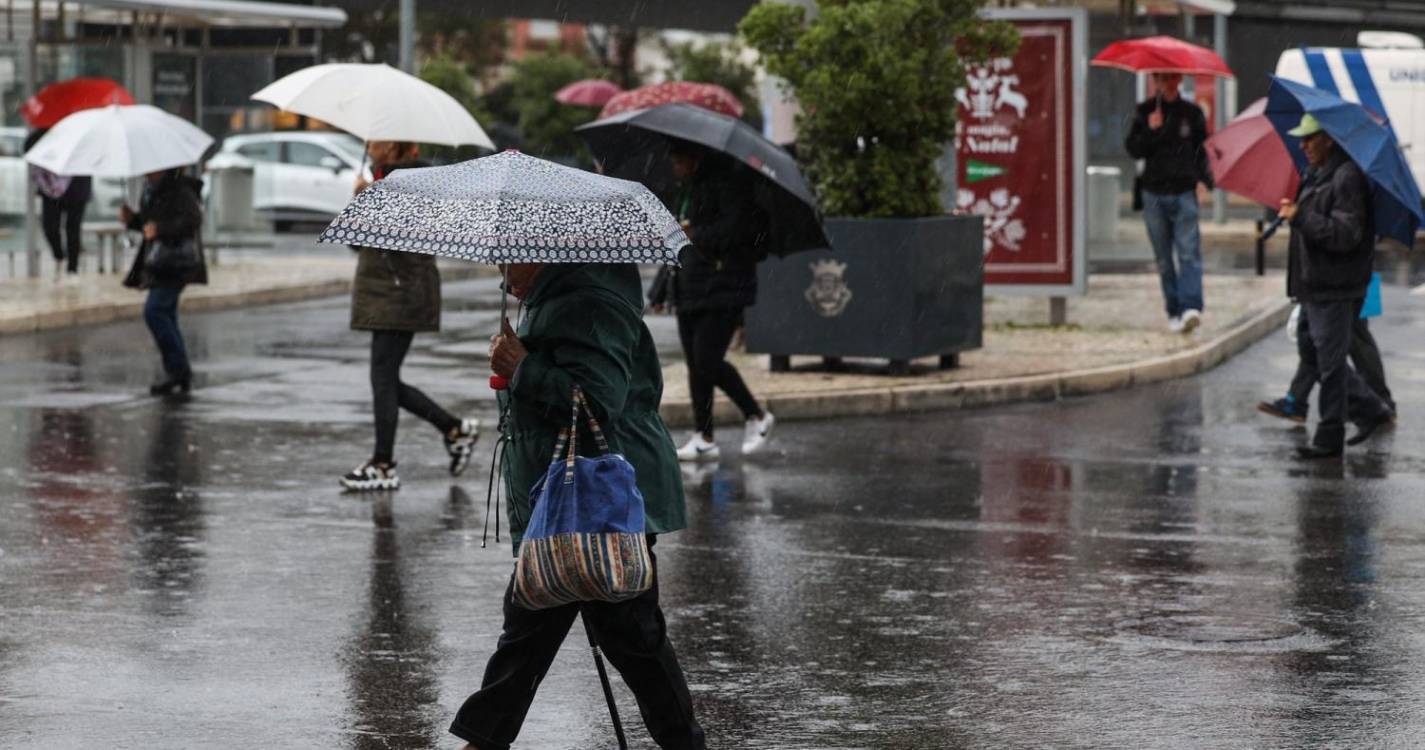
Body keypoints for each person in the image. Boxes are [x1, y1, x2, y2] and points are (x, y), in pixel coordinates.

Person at [451, 262, 705, 750]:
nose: (503, 273)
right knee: (532, 630)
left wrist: (521, 366)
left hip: (596, 499)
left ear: (543, 252)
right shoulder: (556, 297)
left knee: (629, 635)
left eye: (510, 260)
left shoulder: (591, 303)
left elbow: (596, 399)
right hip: (566, 497)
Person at [340, 141, 478, 492]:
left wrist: (371, 198)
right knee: (385, 380)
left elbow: (405, 236)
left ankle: (384, 463)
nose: (370, 148)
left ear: (396, 147)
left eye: (377, 143)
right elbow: (358, 242)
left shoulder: (415, 179)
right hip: (388, 292)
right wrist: (361, 199)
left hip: (402, 292)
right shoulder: (382, 180)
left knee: (383, 378)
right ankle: (454, 429)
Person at [1276, 114, 1395, 459]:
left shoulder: (1347, 177)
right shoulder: (1317, 173)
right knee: (1313, 352)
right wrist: (1295, 213)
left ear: (1329, 138)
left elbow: (1346, 235)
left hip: (1335, 286)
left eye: (1310, 138)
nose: (1303, 145)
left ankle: (1329, 437)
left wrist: (1302, 217)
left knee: (1329, 363)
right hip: (1313, 285)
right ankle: (1370, 408)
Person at [648, 141, 774, 462]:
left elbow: (735, 231)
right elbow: (678, 244)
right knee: (695, 366)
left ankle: (756, 415)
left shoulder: (729, 185)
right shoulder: (687, 190)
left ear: (695, 157)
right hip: (691, 286)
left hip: (724, 286)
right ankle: (704, 435)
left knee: (708, 361)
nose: (674, 167)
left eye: (678, 160)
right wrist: (661, 291)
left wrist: (696, 232)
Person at [1125, 72, 1209, 334]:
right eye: (1162, 78)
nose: (1168, 83)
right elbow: (1134, 149)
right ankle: (1173, 309)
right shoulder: (1145, 111)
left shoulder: (1192, 113)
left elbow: (1201, 150)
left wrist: (1203, 180)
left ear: (1179, 79)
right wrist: (1151, 130)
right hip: (1154, 193)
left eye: (1172, 78)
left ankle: (1190, 307)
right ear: (1155, 81)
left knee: (1188, 253)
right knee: (1163, 258)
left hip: (1184, 191)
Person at [120, 167, 206, 396]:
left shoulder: (179, 190)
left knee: (155, 311)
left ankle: (179, 369)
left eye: (152, 170)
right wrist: (133, 220)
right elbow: (149, 224)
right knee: (165, 313)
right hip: (160, 262)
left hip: (176, 262)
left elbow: (193, 220)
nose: (147, 173)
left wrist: (161, 229)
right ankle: (178, 370)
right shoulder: (151, 190)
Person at [1257, 312, 1395, 423]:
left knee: (1349, 340)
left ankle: (1376, 404)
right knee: (1315, 343)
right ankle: (1296, 400)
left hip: (1339, 288)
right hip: (1328, 288)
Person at [26, 128, 93, 280]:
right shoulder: (45, 131)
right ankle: (59, 255)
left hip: (77, 185)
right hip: (50, 186)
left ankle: (72, 268)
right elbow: (29, 148)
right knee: (49, 226)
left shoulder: (81, 132)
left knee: (73, 228)